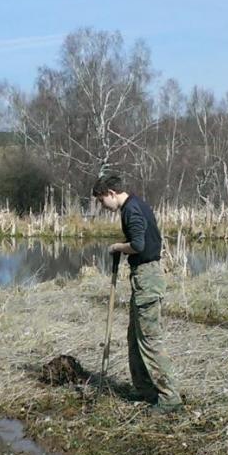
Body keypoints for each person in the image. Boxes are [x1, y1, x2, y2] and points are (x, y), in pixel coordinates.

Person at [91, 174, 183, 412]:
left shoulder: (131, 210)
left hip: (148, 279)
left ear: (111, 193)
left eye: (102, 201)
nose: (103, 206)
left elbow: (139, 245)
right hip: (143, 278)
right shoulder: (135, 206)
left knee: (149, 340)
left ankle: (170, 397)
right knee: (135, 338)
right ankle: (145, 390)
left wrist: (117, 247)